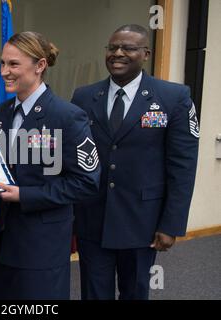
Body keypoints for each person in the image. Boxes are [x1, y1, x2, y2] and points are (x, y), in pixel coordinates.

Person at [71, 24, 199, 300]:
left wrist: (171, 224)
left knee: (135, 292)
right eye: (112, 47)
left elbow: (183, 166)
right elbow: (74, 156)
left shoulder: (174, 97)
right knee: (93, 292)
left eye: (128, 48)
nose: (118, 53)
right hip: (93, 218)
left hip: (143, 221)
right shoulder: (83, 97)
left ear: (146, 53)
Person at [0, 31, 100, 300]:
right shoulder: (2, 113)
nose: (5, 72)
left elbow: (86, 182)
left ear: (40, 66)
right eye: (2, 63)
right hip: (4, 235)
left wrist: (25, 195)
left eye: (14, 64)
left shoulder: (67, 116)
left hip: (41, 242)